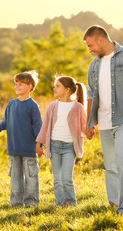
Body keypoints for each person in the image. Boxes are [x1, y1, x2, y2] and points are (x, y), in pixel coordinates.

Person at [83, 25, 123, 215]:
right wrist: (89, 122)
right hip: (104, 123)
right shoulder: (94, 65)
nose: (90, 50)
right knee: (110, 165)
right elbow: (91, 94)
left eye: (90, 45)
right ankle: (114, 205)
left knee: (122, 161)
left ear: (101, 39)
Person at [0, 71, 42, 207]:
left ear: (29, 87)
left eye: (20, 84)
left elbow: (38, 128)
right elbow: (5, 122)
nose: (17, 86)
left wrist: (39, 145)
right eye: (15, 84)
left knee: (31, 178)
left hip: (29, 150)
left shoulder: (33, 106)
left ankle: (32, 203)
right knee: (15, 179)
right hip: (14, 148)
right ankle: (16, 203)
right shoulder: (11, 104)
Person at [36, 76, 87, 206]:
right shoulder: (52, 106)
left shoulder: (78, 107)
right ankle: (60, 203)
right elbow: (45, 126)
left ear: (67, 90)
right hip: (54, 146)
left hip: (70, 147)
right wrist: (39, 143)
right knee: (57, 179)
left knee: (66, 178)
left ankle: (71, 203)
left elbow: (84, 127)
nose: (54, 88)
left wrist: (90, 132)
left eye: (58, 86)